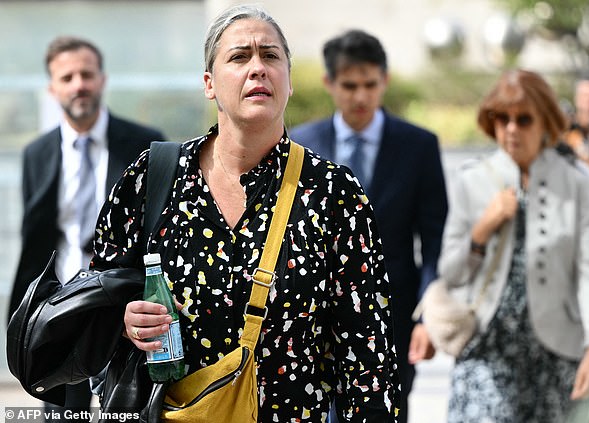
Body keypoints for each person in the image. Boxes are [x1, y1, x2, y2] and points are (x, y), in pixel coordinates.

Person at [91, 5, 400, 422]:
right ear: (209, 84)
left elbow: (369, 359)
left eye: (271, 56)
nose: (258, 68)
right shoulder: (152, 177)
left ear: (288, 82)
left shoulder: (333, 193)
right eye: (239, 57)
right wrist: (126, 320)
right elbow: (97, 300)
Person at [439, 69, 589, 422]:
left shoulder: (576, 179)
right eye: (501, 118)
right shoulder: (473, 179)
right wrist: (483, 228)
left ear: (546, 121)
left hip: (557, 353)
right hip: (487, 351)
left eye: (523, 119)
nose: (511, 129)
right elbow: (451, 273)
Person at [290, 29, 448, 422]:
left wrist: (428, 316)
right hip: (314, 319)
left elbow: (435, 240)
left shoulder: (419, 146)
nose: (360, 96)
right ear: (329, 83)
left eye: (369, 85)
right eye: (349, 85)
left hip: (394, 315)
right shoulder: (299, 145)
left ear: (385, 81)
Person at [7, 36, 165, 421]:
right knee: (62, 414)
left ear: (102, 79)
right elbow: (37, 239)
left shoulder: (146, 144)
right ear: (52, 87)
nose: (79, 84)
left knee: (130, 413)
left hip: (126, 310)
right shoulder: (37, 154)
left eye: (87, 74)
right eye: (67, 77)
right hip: (65, 310)